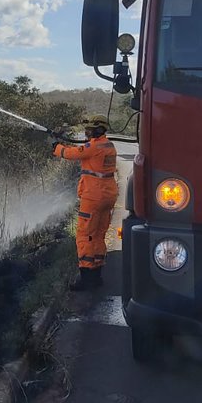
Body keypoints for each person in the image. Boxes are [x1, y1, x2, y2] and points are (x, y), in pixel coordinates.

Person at [52, 114, 119, 291]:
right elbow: (83, 150)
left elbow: (72, 153)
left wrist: (56, 147)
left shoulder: (94, 147)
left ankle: (87, 278)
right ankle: (96, 276)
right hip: (107, 196)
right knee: (98, 235)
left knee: (84, 235)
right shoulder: (108, 145)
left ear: (98, 129)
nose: (87, 132)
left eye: (89, 129)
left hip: (93, 197)